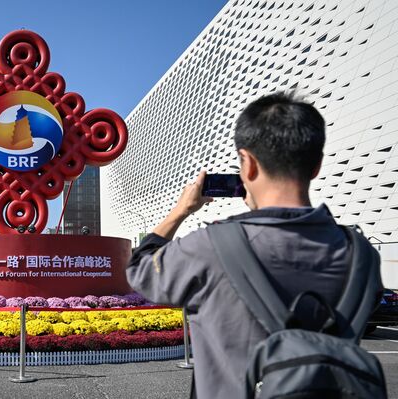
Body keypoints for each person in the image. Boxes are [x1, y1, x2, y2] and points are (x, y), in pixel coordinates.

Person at [126, 92, 382, 398]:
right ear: (316, 167)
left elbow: (140, 270)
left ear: (247, 164)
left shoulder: (211, 248)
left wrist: (181, 210)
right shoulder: (362, 254)